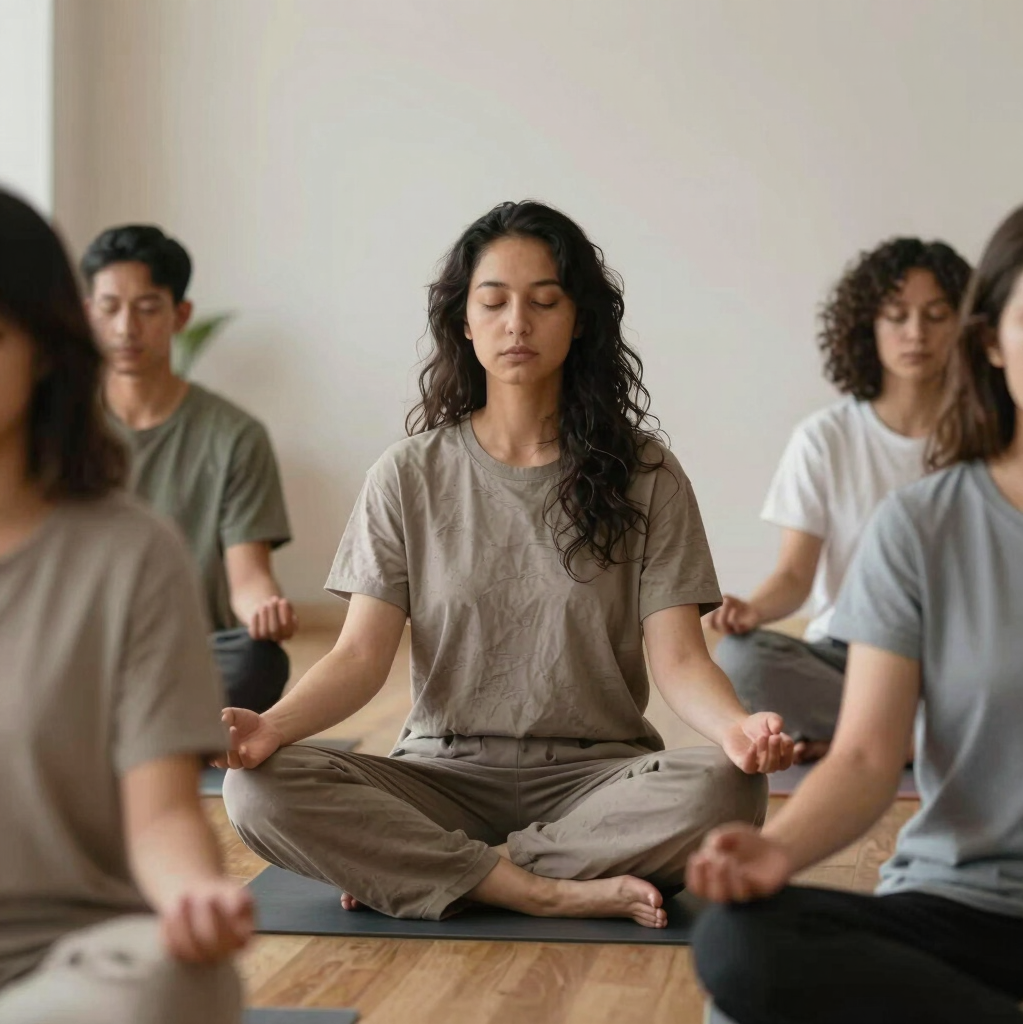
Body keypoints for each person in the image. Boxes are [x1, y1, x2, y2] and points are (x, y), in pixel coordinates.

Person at [219, 200, 793, 927]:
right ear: (464, 321)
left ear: (579, 318)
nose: (517, 322)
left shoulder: (646, 473)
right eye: (493, 301)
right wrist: (271, 727)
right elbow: (360, 657)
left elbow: (680, 660)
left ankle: (436, 868)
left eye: (544, 301)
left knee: (727, 787)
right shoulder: (408, 475)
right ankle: (543, 886)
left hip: (596, 777)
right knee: (257, 789)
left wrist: (737, 731)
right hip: (439, 775)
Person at [688, 206, 1023, 1022]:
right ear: (994, 342)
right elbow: (872, 756)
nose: (915, 333)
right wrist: (774, 851)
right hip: (964, 909)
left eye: (931, 315)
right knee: (741, 948)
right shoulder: (923, 522)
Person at [0, 189, 250, 1023]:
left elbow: (162, 818)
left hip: (65, 961)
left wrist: (194, 896)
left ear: (41, 348)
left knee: (177, 981)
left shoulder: (129, 551)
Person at [707, 238, 971, 761]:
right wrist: (752, 609)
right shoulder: (824, 438)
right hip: (847, 660)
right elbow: (794, 577)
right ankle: (927, 744)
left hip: (958, 663)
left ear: (965, 326)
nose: (916, 333)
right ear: (867, 327)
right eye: (896, 316)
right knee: (745, 661)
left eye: (936, 316)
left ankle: (863, 744)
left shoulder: (989, 436)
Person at [81, 224, 295, 714]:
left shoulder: (235, 435)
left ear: (181, 315)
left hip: (188, 655)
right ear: (88, 314)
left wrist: (265, 609)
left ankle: (112, 727)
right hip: (82, 651)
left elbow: (248, 577)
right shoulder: (55, 427)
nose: (125, 328)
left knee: (256, 662)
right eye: (110, 308)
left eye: (147, 307)